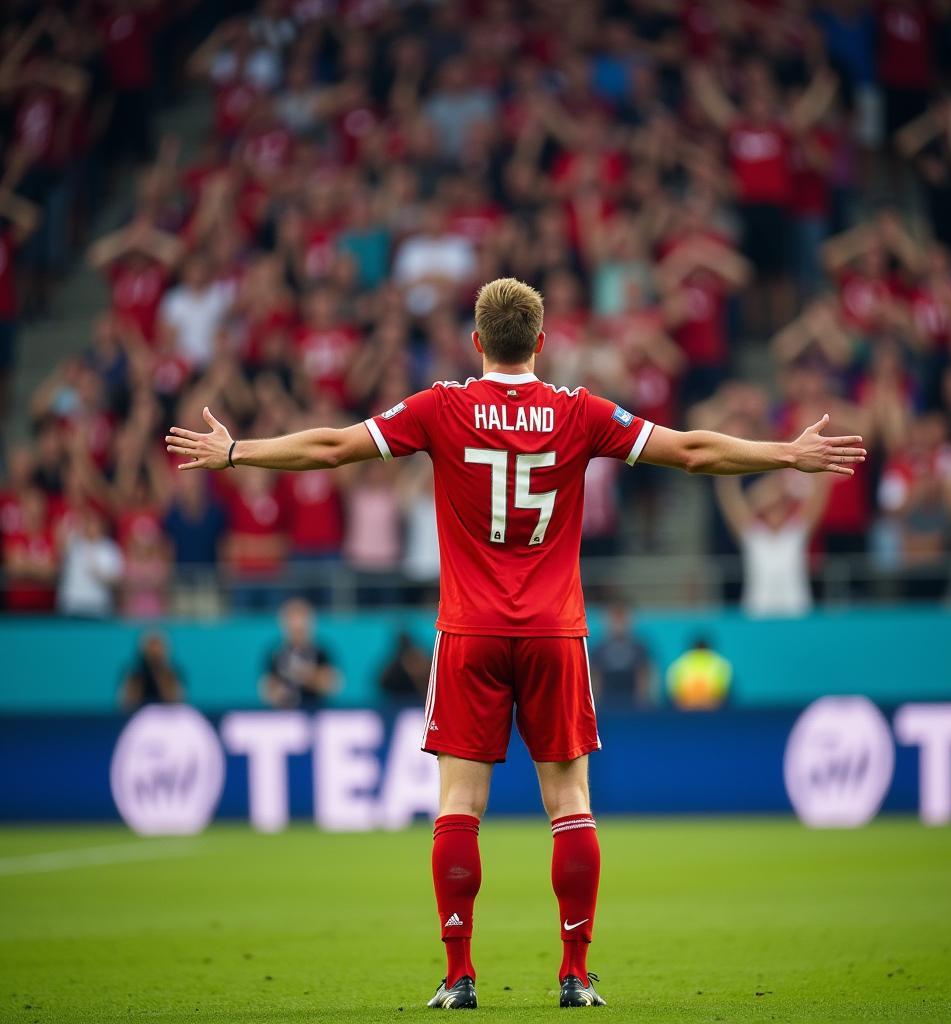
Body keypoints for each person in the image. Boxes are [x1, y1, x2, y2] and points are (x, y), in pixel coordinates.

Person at [166, 277, 866, 1009]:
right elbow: (691, 452)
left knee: (460, 805)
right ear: (541, 341)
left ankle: (460, 974)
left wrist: (237, 452)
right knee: (568, 801)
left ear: (476, 342)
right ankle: (573, 971)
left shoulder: (440, 406)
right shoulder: (579, 412)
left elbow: (334, 447)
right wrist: (787, 454)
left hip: (468, 631)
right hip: (554, 632)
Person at [714, 473, 831, 618]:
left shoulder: (794, 534)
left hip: (796, 610)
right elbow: (730, 501)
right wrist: (725, 474)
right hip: (757, 611)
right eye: (771, 509)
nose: (776, 513)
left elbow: (817, 502)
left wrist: (821, 472)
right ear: (763, 511)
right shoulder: (754, 536)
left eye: (779, 508)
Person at [260, 598, 339, 710]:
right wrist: (280, 692)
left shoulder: (321, 652)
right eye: (292, 620)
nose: (297, 625)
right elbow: (268, 691)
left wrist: (304, 674)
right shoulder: (276, 653)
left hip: (316, 710)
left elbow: (330, 685)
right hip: (285, 714)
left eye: (301, 621)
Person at [589, 603, 651, 708]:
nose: (618, 624)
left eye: (621, 620)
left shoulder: (639, 648)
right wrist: (595, 704)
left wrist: (642, 703)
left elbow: (643, 676)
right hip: (606, 702)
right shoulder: (599, 649)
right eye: (615, 620)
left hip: (632, 703)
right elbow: (595, 678)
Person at [120, 631, 184, 710]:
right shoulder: (134, 672)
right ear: (143, 649)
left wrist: (159, 673)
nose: (154, 650)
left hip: (166, 716)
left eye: (158, 645)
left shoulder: (172, 672)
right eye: (151, 645)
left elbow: (176, 701)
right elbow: (127, 704)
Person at [666, 637, 733, 711]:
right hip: (711, 712)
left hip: (687, 711)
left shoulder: (679, 663)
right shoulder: (721, 663)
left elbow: (675, 696)